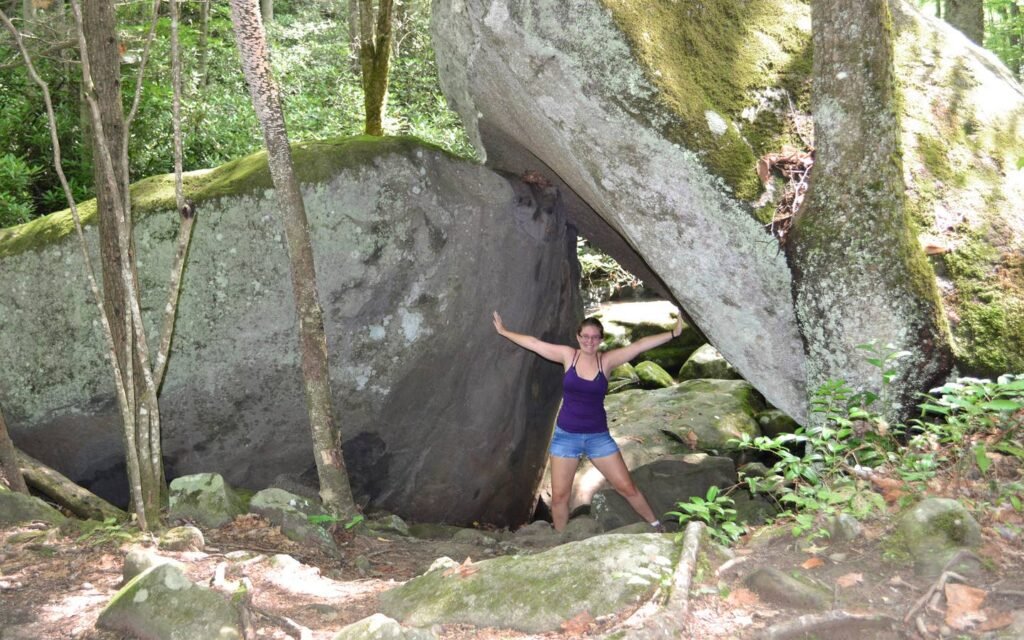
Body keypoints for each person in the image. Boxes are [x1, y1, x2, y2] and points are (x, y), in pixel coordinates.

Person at [492, 310, 684, 532]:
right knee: (560, 497)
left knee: (626, 487)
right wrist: (504, 332)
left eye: (594, 337)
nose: (589, 341)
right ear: (578, 337)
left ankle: (657, 525)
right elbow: (534, 343)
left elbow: (638, 345)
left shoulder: (607, 361)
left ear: (601, 339)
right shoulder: (568, 356)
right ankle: (560, 542)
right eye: (585, 336)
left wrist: (673, 333)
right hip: (566, 437)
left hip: (598, 438)